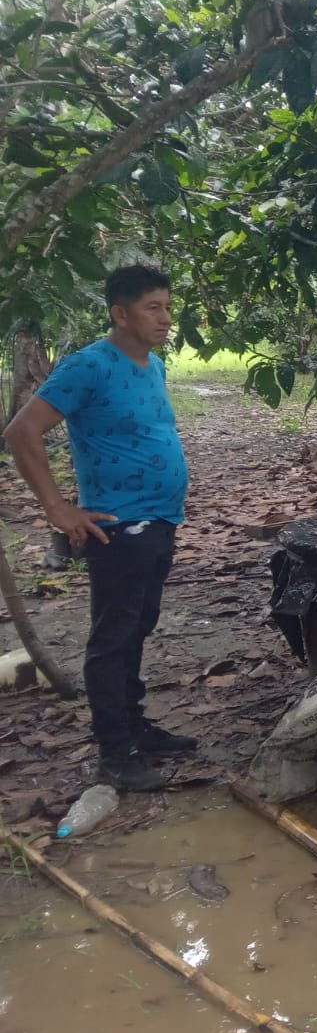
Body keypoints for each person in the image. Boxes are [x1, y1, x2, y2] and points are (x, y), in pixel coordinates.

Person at [3, 264, 195, 791]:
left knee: (139, 625)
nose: (165, 318)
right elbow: (22, 432)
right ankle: (116, 752)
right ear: (120, 314)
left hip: (159, 519)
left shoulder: (153, 365)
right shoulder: (89, 365)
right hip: (118, 526)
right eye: (153, 308)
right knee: (113, 636)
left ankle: (135, 726)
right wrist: (58, 509)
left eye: (168, 307)